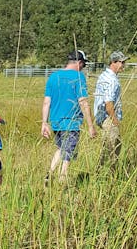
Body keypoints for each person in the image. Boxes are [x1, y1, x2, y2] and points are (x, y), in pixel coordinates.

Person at [41, 50, 97, 184]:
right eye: (83, 64)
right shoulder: (79, 77)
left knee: (61, 149)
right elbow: (83, 102)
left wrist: (44, 123)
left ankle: (49, 174)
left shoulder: (53, 77)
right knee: (68, 154)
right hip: (71, 123)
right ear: (79, 62)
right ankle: (62, 182)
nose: (83, 67)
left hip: (56, 122)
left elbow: (46, 102)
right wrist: (90, 126)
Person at [93, 50, 128, 170]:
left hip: (102, 117)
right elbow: (108, 103)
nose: (124, 65)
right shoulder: (111, 80)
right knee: (111, 149)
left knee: (111, 146)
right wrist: (115, 120)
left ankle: (104, 172)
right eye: (122, 62)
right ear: (113, 62)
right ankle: (108, 174)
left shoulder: (103, 75)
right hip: (109, 118)